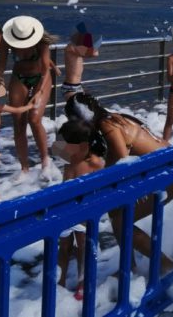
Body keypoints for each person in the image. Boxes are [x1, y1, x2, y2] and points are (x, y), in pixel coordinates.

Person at [64, 92, 173, 271]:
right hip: (170, 167)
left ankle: (167, 266)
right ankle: (129, 266)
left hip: (167, 175)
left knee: (121, 221)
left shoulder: (107, 126)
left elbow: (123, 163)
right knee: (116, 212)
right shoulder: (115, 118)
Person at [0, 15, 57, 181]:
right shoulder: (6, 41)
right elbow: (1, 66)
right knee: (18, 121)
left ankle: (45, 163)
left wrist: (38, 93)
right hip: (19, 77)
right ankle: (24, 168)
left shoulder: (42, 43)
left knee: (35, 119)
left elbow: (44, 71)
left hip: (40, 79)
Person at [53, 119, 105, 301]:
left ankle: (83, 281)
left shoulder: (95, 163)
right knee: (64, 246)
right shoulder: (70, 161)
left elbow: (101, 188)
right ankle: (59, 280)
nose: (62, 151)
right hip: (66, 210)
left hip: (84, 212)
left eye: (66, 146)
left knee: (83, 245)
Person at [61, 23, 100, 100]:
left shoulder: (77, 47)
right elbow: (94, 54)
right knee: (78, 111)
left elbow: (93, 52)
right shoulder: (71, 47)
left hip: (77, 85)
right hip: (70, 87)